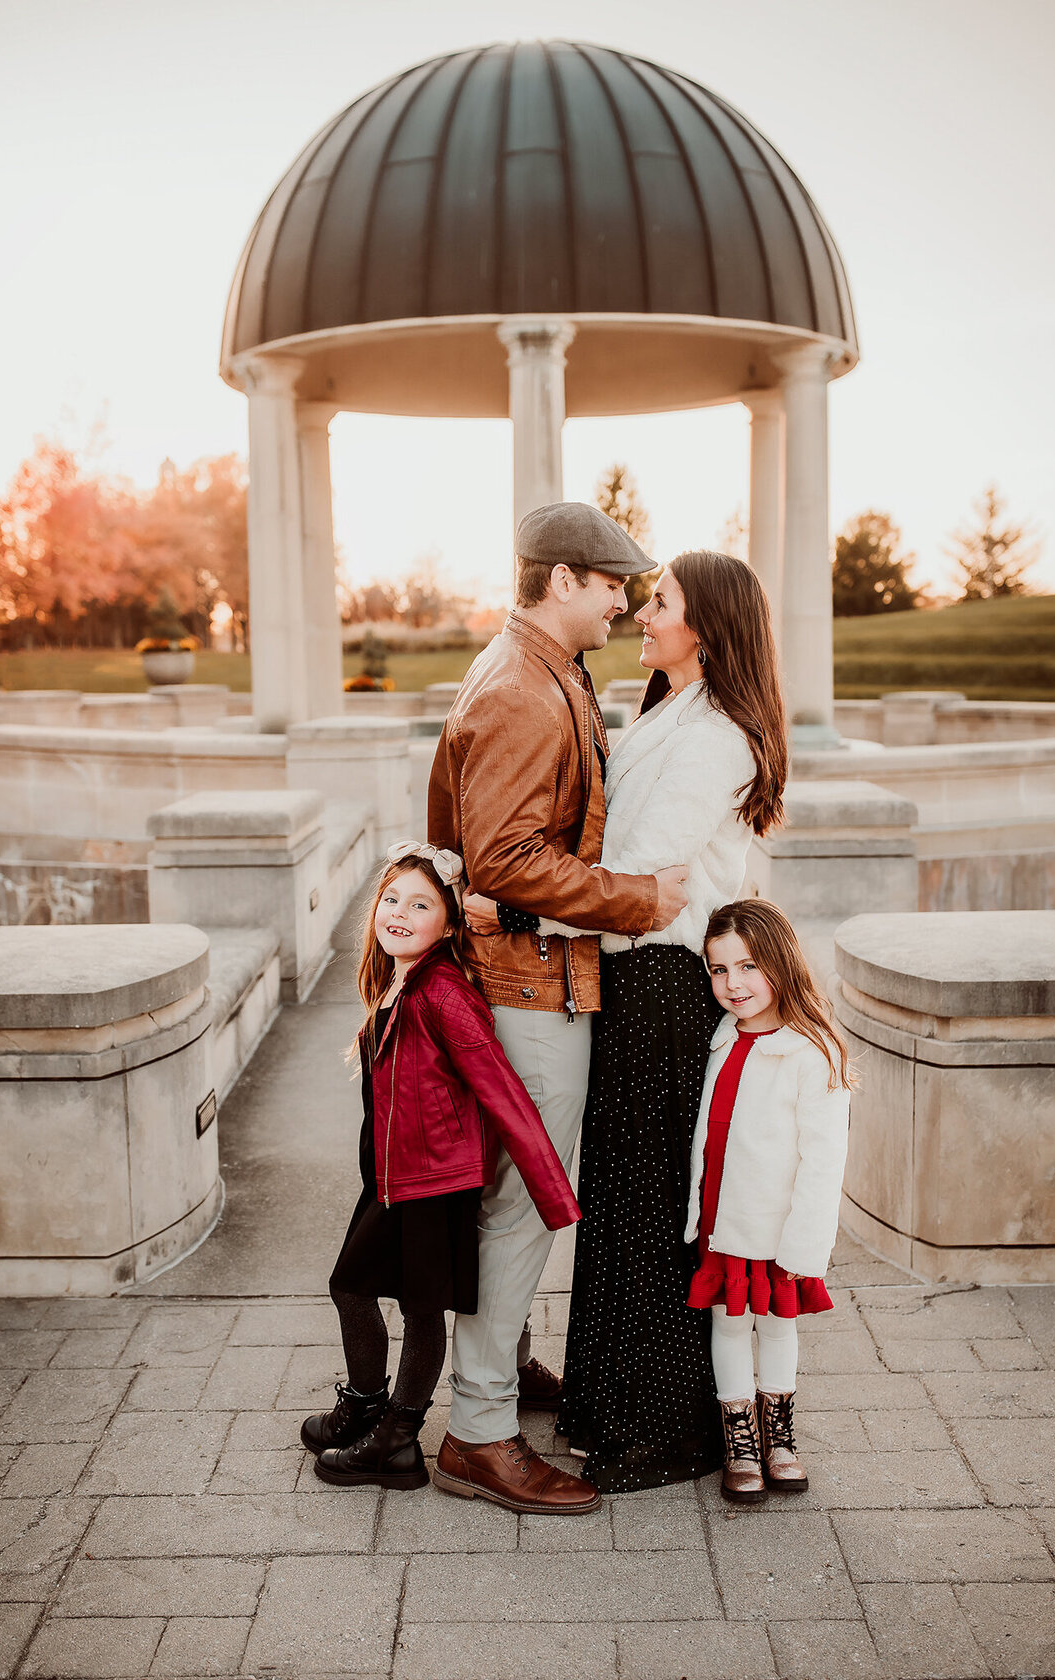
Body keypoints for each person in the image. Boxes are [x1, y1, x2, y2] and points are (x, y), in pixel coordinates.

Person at [466, 549, 789, 1491]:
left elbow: (639, 876)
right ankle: (609, 1405)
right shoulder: (666, 711)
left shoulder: (720, 735)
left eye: (661, 604)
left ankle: (656, 1430)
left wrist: (512, 907)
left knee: (652, 1211)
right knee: (621, 1203)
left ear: (708, 627)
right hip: (629, 983)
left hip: (664, 993)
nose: (644, 617)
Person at [427, 501, 690, 1516]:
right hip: (528, 988)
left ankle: (505, 1369)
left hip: (540, 977)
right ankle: (481, 1433)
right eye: (612, 583)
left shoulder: (547, 673)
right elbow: (501, 857)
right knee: (523, 1203)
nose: (623, 602)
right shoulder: (522, 692)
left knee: (521, 1195)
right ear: (561, 580)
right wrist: (638, 900)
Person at [299, 841, 581, 1493]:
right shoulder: (398, 977)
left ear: (450, 923)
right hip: (391, 1179)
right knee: (353, 1287)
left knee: (420, 1311)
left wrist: (553, 1195)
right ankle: (366, 1407)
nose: (399, 911)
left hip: (433, 1185)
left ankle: (396, 1441)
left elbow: (503, 1094)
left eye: (420, 904)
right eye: (391, 898)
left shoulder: (447, 996)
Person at [688, 898, 851, 1505]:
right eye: (719, 969)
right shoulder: (720, 1039)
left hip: (778, 1226)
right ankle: (741, 1441)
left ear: (781, 962)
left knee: (778, 1326)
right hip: (721, 1220)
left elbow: (823, 1160)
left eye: (749, 966)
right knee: (729, 1324)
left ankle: (779, 1435)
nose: (734, 984)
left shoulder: (813, 1052)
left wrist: (806, 1244)